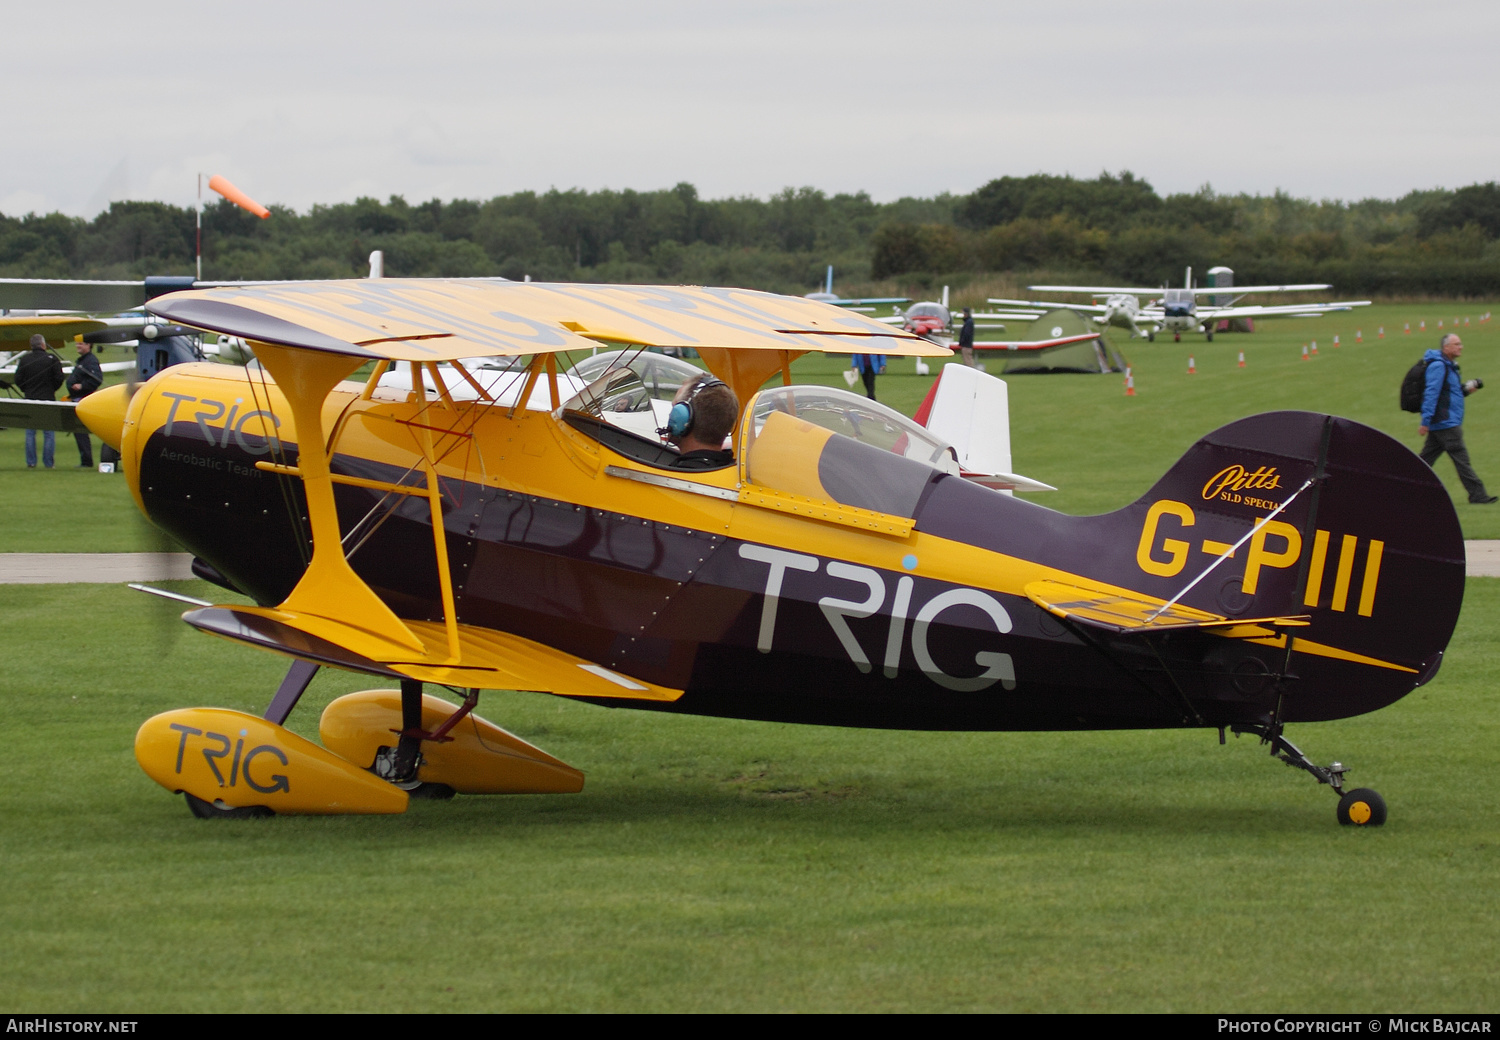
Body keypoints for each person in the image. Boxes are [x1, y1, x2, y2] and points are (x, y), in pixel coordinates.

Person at [1419, 333, 1496, 504]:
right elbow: (1431, 394)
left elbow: (1451, 393)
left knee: (1424, 461)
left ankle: (1403, 485)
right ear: (1446, 347)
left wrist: (1468, 390)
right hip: (1446, 423)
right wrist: (1425, 421)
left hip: (1443, 422)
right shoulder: (1439, 366)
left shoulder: (1449, 366)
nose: (1460, 346)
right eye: (1456, 344)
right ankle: (1478, 495)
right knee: (1462, 460)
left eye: (1460, 343)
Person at [661, 374, 737, 469]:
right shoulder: (728, 467)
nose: (670, 415)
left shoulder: (681, 474)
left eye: (675, 408)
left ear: (684, 417)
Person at [15, 334, 63, 469]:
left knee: (30, 432)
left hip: (30, 398)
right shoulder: (52, 359)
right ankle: (48, 463)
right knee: (48, 432)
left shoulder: (25, 359)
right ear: (43, 345)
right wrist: (51, 389)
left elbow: (18, 379)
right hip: (48, 398)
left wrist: (26, 389)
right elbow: (59, 378)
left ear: (31, 345)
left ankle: (31, 462)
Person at [66, 339, 104, 467]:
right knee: (79, 432)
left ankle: (87, 461)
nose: (78, 346)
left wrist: (82, 386)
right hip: (77, 399)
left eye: (81, 344)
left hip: (83, 400)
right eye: (77, 344)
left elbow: (97, 379)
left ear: (89, 345)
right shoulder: (82, 360)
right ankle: (86, 460)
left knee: (81, 432)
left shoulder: (90, 361)